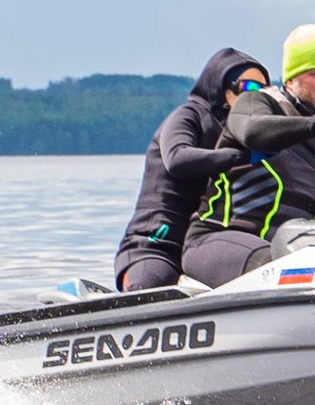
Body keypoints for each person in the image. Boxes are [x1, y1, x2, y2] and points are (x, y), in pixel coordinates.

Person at [182, 24, 315, 286]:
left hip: (307, 262)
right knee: (293, 268)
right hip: (221, 243)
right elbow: (252, 130)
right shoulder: (257, 104)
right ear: (291, 80)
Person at [112, 48, 270, 291]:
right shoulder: (188, 115)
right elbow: (177, 159)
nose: (255, 97)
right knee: (152, 289)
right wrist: (238, 156)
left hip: (209, 246)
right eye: (248, 87)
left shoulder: (245, 135)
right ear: (220, 87)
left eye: (263, 91)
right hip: (157, 246)